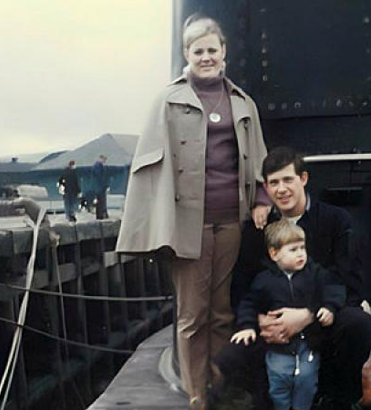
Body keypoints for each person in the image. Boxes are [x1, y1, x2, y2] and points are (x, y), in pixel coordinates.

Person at [116, 14, 271, 409]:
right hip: (188, 224)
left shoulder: (241, 102)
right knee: (191, 314)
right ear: (187, 54)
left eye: (212, 50)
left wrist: (262, 200)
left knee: (221, 311)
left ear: (224, 53)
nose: (206, 57)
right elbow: (150, 167)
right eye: (197, 51)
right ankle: (196, 394)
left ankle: (219, 387)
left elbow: (258, 160)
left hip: (229, 221)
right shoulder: (169, 100)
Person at [215, 147, 371, 409]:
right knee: (232, 355)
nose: (281, 189)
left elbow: (350, 282)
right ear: (266, 188)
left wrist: (307, 314)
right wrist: (260, 320)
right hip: (276, 323)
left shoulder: (336, 221)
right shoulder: (258, 231)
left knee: (358, 324)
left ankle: (337, 401)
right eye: (274, 183)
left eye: (288, 180)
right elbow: (242, 286)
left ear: (303, 178)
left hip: (323, 317)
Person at [231, 220, 345, 410]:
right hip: (278, 347)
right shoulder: (264, 280)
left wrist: (329, 307)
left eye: (302, 247)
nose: (301, 253)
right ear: (274, 253)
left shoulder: (315, 273)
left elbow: (333, 289)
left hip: (307, 343)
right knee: (278, 382)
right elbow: (249, 304)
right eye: (293, 249)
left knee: (307, 380)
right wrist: (247, 326)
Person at [91, 155, 109, 219]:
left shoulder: (99, 166)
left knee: (101, 201)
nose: (104, 161)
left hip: (100, 187)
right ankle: (100, 215)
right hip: (99, 187)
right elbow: (100, 177)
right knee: (100, 201)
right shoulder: (98, 166)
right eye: (104, 159)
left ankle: (101, 214)